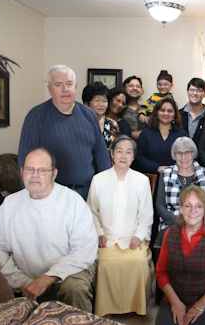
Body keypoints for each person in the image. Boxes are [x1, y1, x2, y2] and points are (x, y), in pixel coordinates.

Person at [0, 148, 98, 312]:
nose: (34, 175)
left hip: (70, 271)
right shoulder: (8, 206)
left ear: (54, 174)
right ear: (21, 172)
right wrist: (26, 283)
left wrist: (48, 278)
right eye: (29, 169)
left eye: (42, 170)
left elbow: (84, 250)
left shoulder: (73, 202)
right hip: (25, 276)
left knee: (74, 289)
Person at [18, 65, 111, 200]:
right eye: (58, 85)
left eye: (69, 84)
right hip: (52, 195)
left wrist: (107, 188)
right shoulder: (35, 117)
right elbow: (24, 160)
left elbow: (101, 155)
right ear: (50, 89)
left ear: (76, 87)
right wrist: (29, 197)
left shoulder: (89, 115)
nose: (65, 89)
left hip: (88, 192)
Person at [87, 135, 154, 317]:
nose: (123, 156)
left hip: (132, 237)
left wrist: (139, 235)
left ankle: (136, 307)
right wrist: (99, 232)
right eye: (119, 151)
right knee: (103, 264)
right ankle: (105, 308)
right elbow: (91, 211)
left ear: (133, 157)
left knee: (139, 262)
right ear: (112, 154)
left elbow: (147, 215)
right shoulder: (98, 180)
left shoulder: (142, 181)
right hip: (106, 239)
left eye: (128, 152)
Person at [155, 186, 205, 325]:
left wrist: (200, 305)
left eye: (198, 206)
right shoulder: (170, 234)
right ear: (181, 209)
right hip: (175, 297)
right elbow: (161, 272)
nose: (193, 211)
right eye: (187, 205)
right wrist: (175, 302)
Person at [154, 136, 205, 247]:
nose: (183, 157)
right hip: (170, 224)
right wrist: (180, 222)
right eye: (179, 153)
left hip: (199, 224)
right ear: (174, 155)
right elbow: (159, 205)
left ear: (193, 153)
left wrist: (194, 223)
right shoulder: (166, 174)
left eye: (187, 152)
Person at [135, 96, 188, 174]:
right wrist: (157, 168)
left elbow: (189, 157)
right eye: (162, 110)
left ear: (174, 114)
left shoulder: (182, 135)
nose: (166, 113)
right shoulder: (146, 133)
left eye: (170, 111)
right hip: (150, 178)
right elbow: (139, 157)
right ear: (156, 112)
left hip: (176, 177)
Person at [82, 81, 120, 151]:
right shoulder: (80, 123)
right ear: (86, 104)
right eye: (97, 100)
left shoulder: (112, 124)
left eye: (104, 101)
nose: (101, 104)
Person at [179, 78, 205, 144]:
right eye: (192, 90)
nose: (195, 93)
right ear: (188, 92)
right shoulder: (178, 115)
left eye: (199, 90)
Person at [123, 75, 145, 139]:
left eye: (138, 86)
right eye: (131, 86)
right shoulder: (119, 108)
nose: (135, 88)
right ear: (124, 88)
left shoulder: (145, 109)